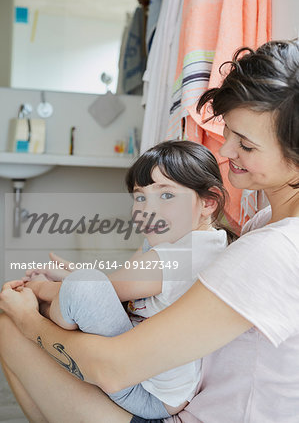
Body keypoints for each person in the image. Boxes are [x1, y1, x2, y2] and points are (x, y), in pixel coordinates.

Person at [0, 39, 298, 423]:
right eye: (229, 132)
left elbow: (112, 369)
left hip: (176, 412)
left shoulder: (275, 249)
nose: (225, 151)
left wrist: (30, 320)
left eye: (246, 144)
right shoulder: (263, 224)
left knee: (11, 324)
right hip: (184, 401)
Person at [22, 140, 229, 419]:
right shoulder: (196, 242)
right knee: (83, 285)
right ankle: (54, 304)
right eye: (140, 196)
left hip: (150, 393)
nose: (147, 208)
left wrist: (39, 288)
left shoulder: (182, 256)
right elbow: (115, 285)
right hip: (150, 375)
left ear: (208, 202)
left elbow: (101, 289)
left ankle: (35, 308)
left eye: (166, 195)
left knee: (82, 289)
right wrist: (70, 276)